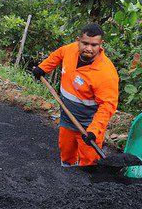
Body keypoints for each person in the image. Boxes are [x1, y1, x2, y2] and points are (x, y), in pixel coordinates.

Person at [31, 23, 119, 166]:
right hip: (68, 116)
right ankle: (66, 176)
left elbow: (107, 106)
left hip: (88, 124)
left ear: (101, 44)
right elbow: (58, 55)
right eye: (84, 43)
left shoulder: (106, 73)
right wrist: (43, 68)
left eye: (94, 45)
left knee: (89, 163)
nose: (88, 48)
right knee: (66, 153)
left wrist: (94, 131)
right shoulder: (70, 50)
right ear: (78, 40)